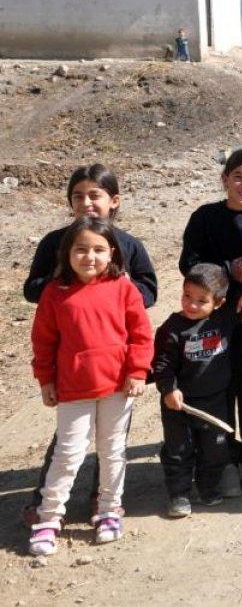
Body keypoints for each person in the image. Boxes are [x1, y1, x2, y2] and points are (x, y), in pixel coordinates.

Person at [22, 164, 157, 526]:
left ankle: (104, 499)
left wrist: (123, 293)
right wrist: (63, 281)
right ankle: (44, 502)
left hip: (116, 359)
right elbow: (31, 289)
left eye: (94, 195)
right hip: (73, 360)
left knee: (112, 441)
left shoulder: (127, 244)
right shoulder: (55, 242)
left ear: (113, 201)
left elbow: (150, 290)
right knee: (68, 442)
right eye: (78, 196)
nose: (87, 203)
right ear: (69, 202)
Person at [179, 147, 242, 498]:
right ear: (225, 179)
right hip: (212, 323)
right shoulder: (205, 217)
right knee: (217, 395)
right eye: (238, 177)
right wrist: (226, 270)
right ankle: (225, 463)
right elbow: (189, 263)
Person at [153, 264, 235, 518]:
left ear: (219, 303)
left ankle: (208, 487)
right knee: (179, 449)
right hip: (180, 405)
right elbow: (162, 364)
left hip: (214, 403)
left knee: (215, 449)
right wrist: (168, 389)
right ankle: (179, 494)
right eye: (187, 295)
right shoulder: (172, 329)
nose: (192, 304)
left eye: (202, 300)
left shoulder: (223, 320)